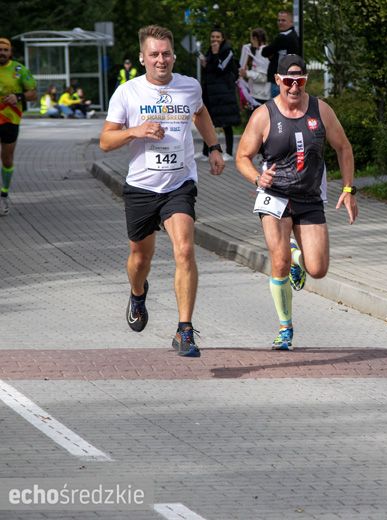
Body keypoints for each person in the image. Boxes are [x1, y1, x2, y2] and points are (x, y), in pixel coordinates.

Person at [99, 25, 226, 357]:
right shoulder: (127, 93)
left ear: (173, 55)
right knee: (140, 258)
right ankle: (137, 293)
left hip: (179, 184)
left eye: (166, 53)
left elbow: (199, 112)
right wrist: (136, 131)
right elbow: (105, 141)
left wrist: (213, 146)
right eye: (154, 54)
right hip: (141, 186)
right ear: (143, 58)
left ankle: (185, 330)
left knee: (184, 250)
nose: (161, 60)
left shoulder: (189, 87)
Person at [235, 54, 357, 350]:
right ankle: (285, 328)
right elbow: (242, 157)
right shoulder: (264, 115)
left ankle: (296, 259)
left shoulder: (321, 110)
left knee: (318, 269)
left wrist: (348, 189)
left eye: (299, 81)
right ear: (277, 80)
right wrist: (256, 178)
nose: (293, 87)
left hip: (309, 198)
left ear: (305, 81)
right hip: (274, 197)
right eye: (287, 81)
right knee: (278, 262)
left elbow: (344, 148)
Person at [0, 37, 37, 216]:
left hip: (10, 121)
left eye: (5, 50)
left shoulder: (19, 70)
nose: (2, 52)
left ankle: (4, 194)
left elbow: (33, 94)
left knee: (6, 159)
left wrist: (19, 97)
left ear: (10, 52)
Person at [198, 28, 241, 161]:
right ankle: (206, 152)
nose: (214, 39)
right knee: (208, 122)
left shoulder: (227, 51)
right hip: (210, 93)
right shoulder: (209, 51)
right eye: (212, 37)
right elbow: (209, 71)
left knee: (226, 123)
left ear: (222, 39)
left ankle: (228, 152)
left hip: (224, 93)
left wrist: (216, 54)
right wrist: (204, 64)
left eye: (217, 37)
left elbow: (220, 68)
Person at [261, 10, 300, 98]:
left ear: (291, 22)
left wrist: (272, 54)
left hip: (280, 81)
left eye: (283, 20)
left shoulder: (283, 37)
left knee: (278, 109)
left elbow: (265, 52)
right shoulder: (293, 35)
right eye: (278, 20)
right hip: (289, 79)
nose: (280, 23)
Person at [238, 28, 271, 111]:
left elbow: (264, 77)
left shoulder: (263, 52)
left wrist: (247, 73)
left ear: (255, 38)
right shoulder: (258, 52)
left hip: (262, 96)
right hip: (256, 94)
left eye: (251, 39)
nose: (251, 42)